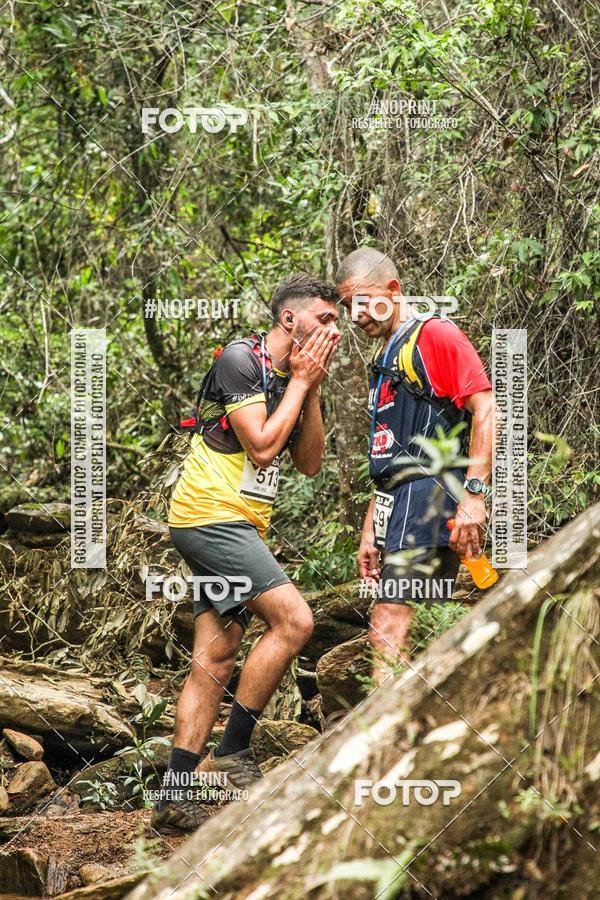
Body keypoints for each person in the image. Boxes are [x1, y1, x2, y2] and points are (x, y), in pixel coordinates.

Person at [152, 274, 340, 834]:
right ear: (291, 320)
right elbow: (260, 445)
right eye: (325, 319)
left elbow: (307, 463)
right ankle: (234, 750)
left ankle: (174, 792)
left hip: (234, 523)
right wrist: (301, 383)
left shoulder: (296, 377)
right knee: (295, 619)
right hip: (209, 517)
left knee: (216, 656)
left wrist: (312, 387)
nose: (335, 328)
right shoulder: (241, 358)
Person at [336, 248, 494, 684]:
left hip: (432, 494)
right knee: (414, 626)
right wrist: (372, 528)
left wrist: (474, 497)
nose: (356, 315)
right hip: (399, 501)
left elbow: (486, 409)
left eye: (363, 301)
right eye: (348, 306)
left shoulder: (435, 334)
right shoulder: (386, 359)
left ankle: (386, 743)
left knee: (388, 624)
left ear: (394, 290)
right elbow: (391, 453)